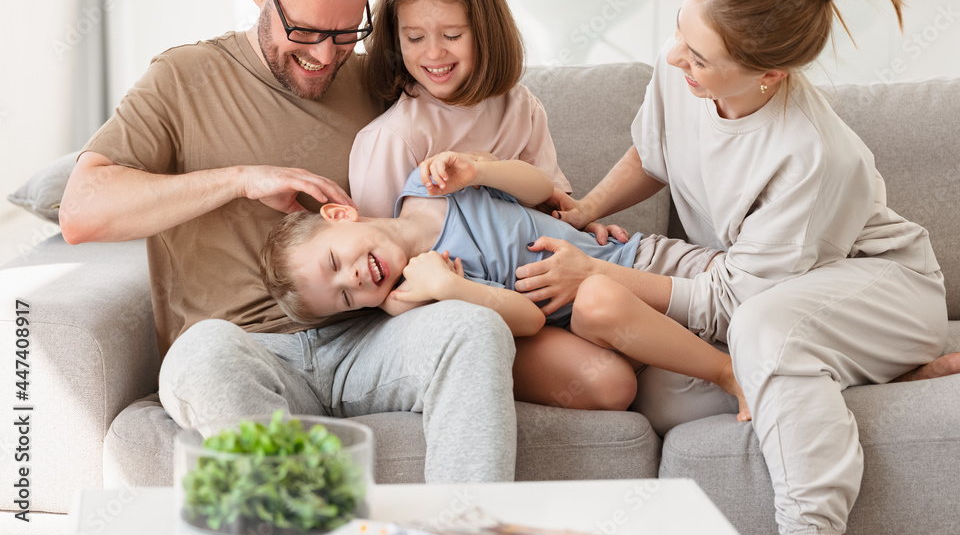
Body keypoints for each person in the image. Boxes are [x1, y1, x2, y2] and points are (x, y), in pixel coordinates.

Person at [510, 0, 960, 535]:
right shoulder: (680, 72)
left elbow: (732, 303)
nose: (673, 58)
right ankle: (859, 378)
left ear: (769, 72)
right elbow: (653, 155)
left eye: (698, 56)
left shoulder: (812, 155)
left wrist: (597, 272)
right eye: (681, 32)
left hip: (880, 289)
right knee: (662, 393)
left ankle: (810, 526)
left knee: (765, 330)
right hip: (772, 290)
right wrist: (581, 214)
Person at [58, 0, 518, 484]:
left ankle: (469, 524)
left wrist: (577, 218)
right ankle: (297, 516)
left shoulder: (377, 80)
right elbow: (82, 211)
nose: (325, 56)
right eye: (305, 31)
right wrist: (239, 180)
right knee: (202, 356)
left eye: (346, 33)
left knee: (474, 330)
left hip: (368, 341)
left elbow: (477, 155)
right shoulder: (183, 80)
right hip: (245, 352)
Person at [259, 151, 748, 416]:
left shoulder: (429, 184)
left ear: (340, 214)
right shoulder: (411, 292)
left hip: (628, 261)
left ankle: (732, 360)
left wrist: (480, 170)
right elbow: (529, 319)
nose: (356, 277)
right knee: (597, 301)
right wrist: (452, 290)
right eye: (346, 296)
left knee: (753, 296)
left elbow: (542, 192)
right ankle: (727, 372)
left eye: (334, 261)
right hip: (595, 323)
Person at [349, 0, 570, 219]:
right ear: (396, 36)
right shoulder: (393, 138)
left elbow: (556, 210)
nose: (434, 53)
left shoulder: (522, 109)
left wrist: (585, 225)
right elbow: (374, 245)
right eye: (415, 38)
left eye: (452, 35)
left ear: (486, 28)